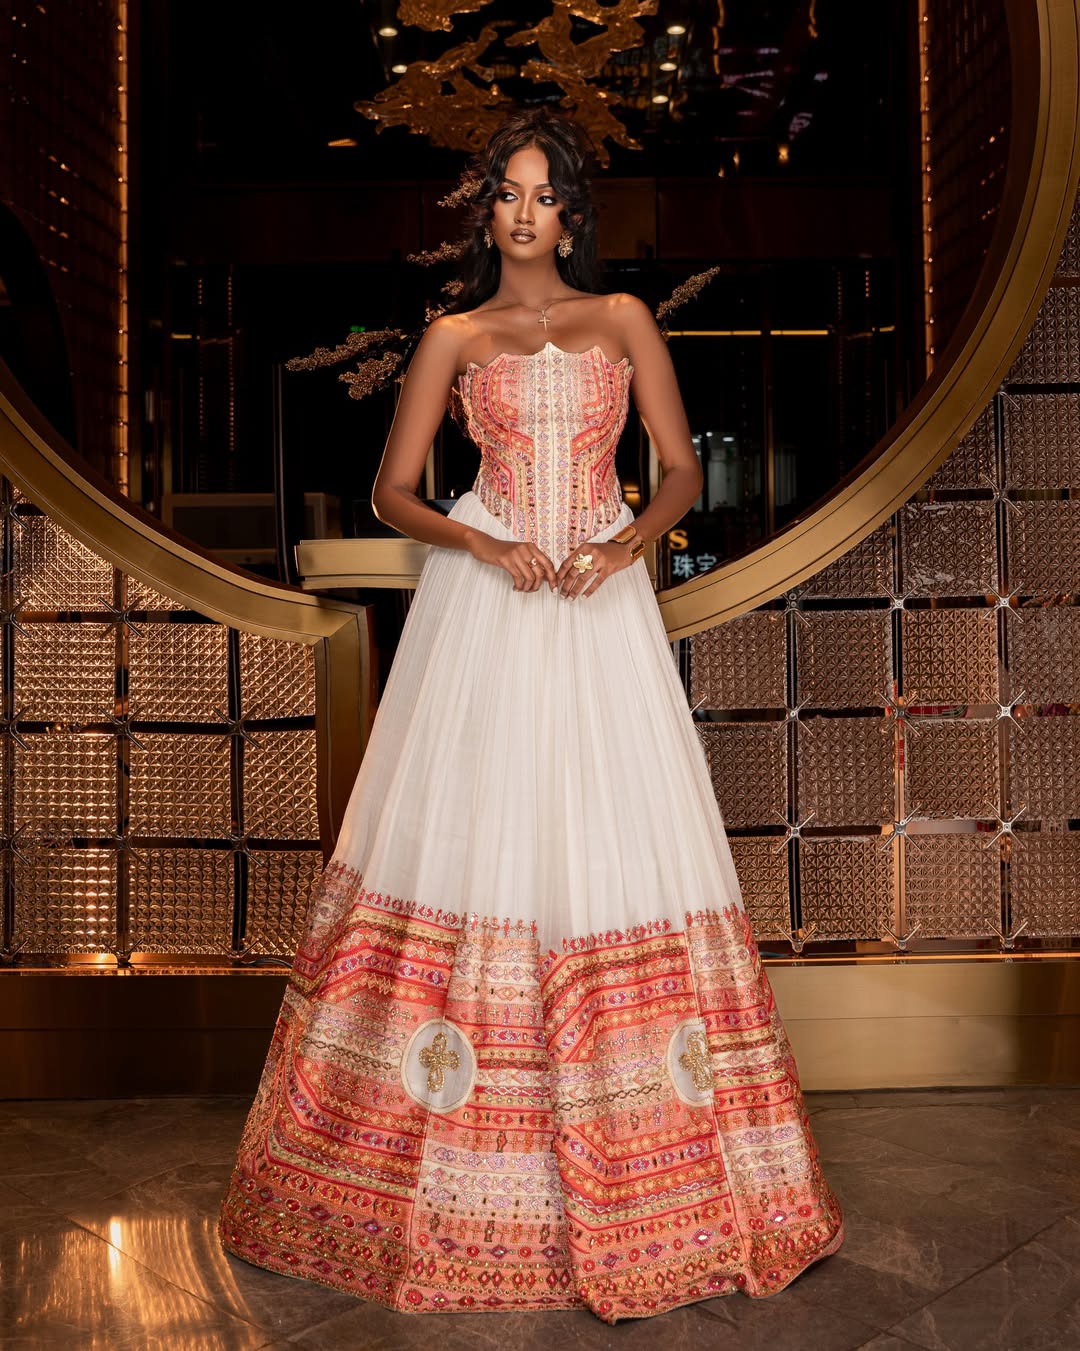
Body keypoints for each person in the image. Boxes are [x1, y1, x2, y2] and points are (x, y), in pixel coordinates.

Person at [219, 107, 843, 1324]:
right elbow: (394, 493)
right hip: (491, 608)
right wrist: (483, 542)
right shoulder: (453, 336)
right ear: (486, 210)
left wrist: (623, 544)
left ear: (572, 213)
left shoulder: (623, 320)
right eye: (507, 192)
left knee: (614, 839)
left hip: (600, 608)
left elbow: (680, 469)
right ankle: (430, 1161)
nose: (523, 212)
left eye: (545, 194)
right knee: (480, 835)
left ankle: (656, 1169)